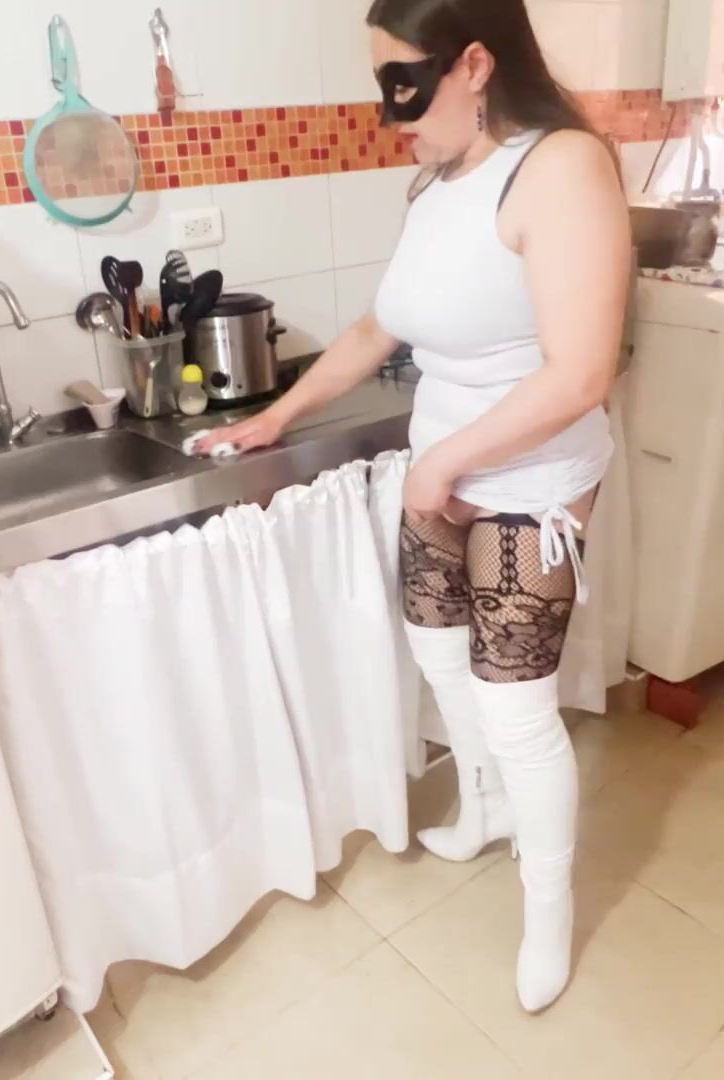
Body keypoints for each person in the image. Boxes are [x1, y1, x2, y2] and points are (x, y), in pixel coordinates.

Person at [197, 0, 630, 1013]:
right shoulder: (437, 181)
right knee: (440, 660)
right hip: (440, 465)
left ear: (474, 64)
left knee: (517, 709)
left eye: (405, 84)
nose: (390, 114)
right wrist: (275, 416)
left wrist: (447, 467)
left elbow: (581, 373)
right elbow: (376, 328)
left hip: (528, 482)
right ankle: (483, 810)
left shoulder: (562, 167)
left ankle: (549, 912)